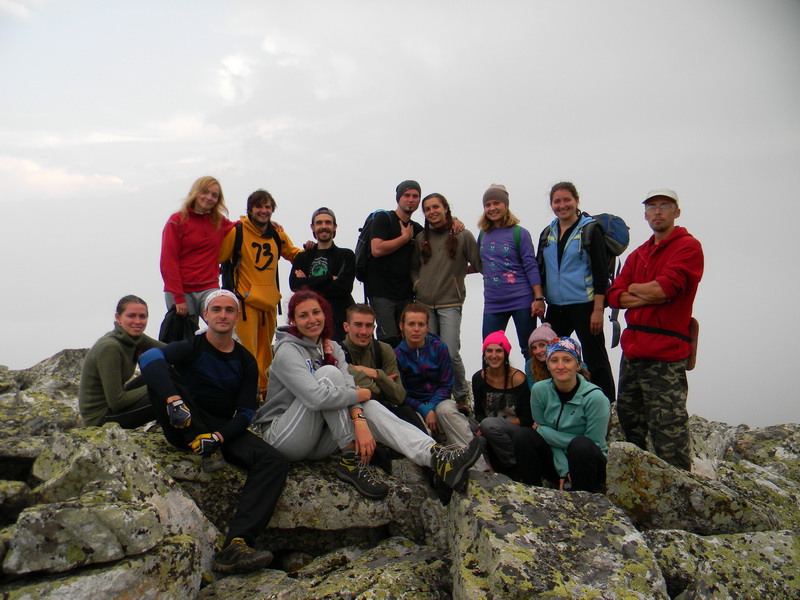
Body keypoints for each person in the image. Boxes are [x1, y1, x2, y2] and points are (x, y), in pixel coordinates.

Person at [254, 290, 485, 499]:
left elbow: (349, 387)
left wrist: (359, 419)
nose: (312, 319)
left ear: (325, 314)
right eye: (303, 315)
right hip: (284, 437)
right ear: (293, 321)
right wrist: (361, 394)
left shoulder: (332, 347)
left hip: (318, 439)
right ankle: (351, 458)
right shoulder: (287, 351)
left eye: (316, 312)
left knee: (370, 406)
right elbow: (316, 398)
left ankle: (437, 458)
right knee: (329, 374)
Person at [138, 290, 288, 573]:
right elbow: (148, 357)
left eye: (229, 310)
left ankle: (237, 544)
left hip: (217, 429)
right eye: (216, 309)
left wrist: (218, 437)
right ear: (205, 315)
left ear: (237, 316)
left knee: (274, 462)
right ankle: (194, 431)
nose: (223, 315)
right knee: (161, 371)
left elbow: (245, 413)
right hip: (183, 421)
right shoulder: (192, 346)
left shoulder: (246, 360)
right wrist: (174, 400)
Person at [607, 189, 704, 471]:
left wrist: (634, 290)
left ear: (677, 212)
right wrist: (647, 293)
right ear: (645, 214)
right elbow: (614, 295)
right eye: (651, 207)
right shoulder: (639, 254)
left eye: (664, 206)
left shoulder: (688, 247)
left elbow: (665, 289)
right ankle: (639, 482)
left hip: (666, 353)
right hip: (633, 350)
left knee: (668, 429)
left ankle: (680, 488)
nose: (657, 211)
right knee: (630, 419)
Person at [537, 182, 615, 403]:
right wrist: (539, 298)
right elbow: (540, 269)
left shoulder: (590, 230)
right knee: (551, 357)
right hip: (556, 307)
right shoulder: (548, 233)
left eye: (567, 200)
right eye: (557, 201)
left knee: (595, 358)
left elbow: (600, 274)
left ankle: (606, 406)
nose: (562, 205)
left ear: (576, 201)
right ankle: (557, 403)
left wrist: (598, 310)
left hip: (585, 304)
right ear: (551, 204)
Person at [219, 189, 302, 394]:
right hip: (245, 304)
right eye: (258, 206)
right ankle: (249, 395)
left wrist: (312, 250)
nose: (263, 211)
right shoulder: (237, 232)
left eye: (267, 207)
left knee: (266, 355)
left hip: (269, 303)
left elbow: (294, 254)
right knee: (247, 353)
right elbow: (218, 256)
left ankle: (264, 394)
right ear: (250, 209)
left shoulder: (277, 234)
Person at [411, 193, 481, 411]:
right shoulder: (421, 238)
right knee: (429, 353)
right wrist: (418, 285)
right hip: (424, 304)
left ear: (445, 208)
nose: (432, 212)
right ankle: (435, 396)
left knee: (450, 352)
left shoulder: (463, 235)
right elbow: (413, 267)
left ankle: (461, 396)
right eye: (427, 209)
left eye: (436, 207)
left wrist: (459, 274)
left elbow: (479, 263)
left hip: (450, 302)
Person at [524, 337, 610, 492]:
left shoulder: (595, 398)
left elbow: (593, 444)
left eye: (567, 360)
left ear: (578, 365)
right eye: (554, 360)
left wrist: (544, 431)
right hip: (556, 461)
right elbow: (542, 438)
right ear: (548, 365)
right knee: (525, 436)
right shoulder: (539, 390)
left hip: (589, 463)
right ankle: (532, 494)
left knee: (581, 445)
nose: (560, 366)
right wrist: (564, 469)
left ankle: (586, 498)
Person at [394, 304, 480, 455]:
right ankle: (435, 464)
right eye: (411, 324)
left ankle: (473, 460)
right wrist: (423, 409)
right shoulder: (397, 355)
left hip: (440, 401)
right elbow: (401, 393)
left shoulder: (439, 348)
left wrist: (431, 406)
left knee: (447, 411)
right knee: (416, 425)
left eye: (421, 324)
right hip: (414, 406)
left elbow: (446, 384)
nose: (416, 329)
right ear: (402, 326)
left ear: (428, 326)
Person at [478, 184, 545, 360]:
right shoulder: (483, 235)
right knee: (489, 349)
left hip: (521, 298)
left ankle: (534, 379)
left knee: (529, 349)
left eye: (496, 203)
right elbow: (482, 263)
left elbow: (530, 265)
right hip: (493, 301)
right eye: (487, 205)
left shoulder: (520, 233)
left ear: (506, 205)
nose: (492, 208)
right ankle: (492, 380)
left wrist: (538, 298)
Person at [160, 176, 234, 329]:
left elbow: (239, 228)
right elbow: (168, 262)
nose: (209, 197)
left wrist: (266, 224)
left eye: (214, 195)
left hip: (209, 287)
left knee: (224, 328)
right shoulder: (177, 221)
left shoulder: (218, 221)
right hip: (182, 290)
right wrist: (178, 297)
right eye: (205, 192)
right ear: (195, 192)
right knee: (185, 337)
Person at [79, 295, 164, 428]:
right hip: (101, 418)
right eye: (131, 316)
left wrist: (197, 346)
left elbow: (170, 351)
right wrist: (160, 384)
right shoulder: (110, 347)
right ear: (118, 318)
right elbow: (117, 402)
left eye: (142, 316)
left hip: (114, 406)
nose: (138, 321)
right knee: (173, 391)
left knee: (167, 371)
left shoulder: (135, 338)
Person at [341, 304, 424, 432]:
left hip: (386, 411)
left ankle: (430, 445)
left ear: (374, 328)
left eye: (368, 326)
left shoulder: (384, 349)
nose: (364, 331)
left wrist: (375, 374)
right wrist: (384, 382)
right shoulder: (337, 353)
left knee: (408, 414)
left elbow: (399, 396)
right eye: (358, 325)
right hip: (353, 416)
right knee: (371, 405)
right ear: (346, 326)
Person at [364, 180, 425, 347]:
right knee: (388, 341)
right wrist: (404, 238)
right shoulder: (384, 218)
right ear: (398, 198)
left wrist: (454, 221)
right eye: (407, 195)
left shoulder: (417, 229)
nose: (411, 200)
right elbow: (377, 249)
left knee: (408, 341)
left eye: (415, 196)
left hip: (405, 292)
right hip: (381, 291)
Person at [471, 331, 532, 478]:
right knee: (464, 423)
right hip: (487, 426)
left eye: (498, 351)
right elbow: (478, 412)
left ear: (505, 354)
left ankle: (512, 465)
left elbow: (527, 418)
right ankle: (487, 467)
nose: (493, 355)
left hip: (513, 430)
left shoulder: (518, 379)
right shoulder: (478, 378)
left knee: (489, 424)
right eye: (489, 351)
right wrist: (482, 426)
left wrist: (494, 424)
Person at [289, 207, 355, 341]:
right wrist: (329, 278)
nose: (324, 226)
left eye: (328, 222)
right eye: (319, 223)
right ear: (312, 227)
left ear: (335, 227)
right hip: (310, 323)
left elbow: (344, 287)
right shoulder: (302, 257)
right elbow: (295, 285)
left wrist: (307, 283)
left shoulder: (346, 255)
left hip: (339, 322)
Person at [524, 322, 557, 389]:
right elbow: (534, 391)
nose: (538, 351)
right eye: (534, 348)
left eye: (542, 345)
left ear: (552, 344)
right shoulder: (530, 365)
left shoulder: (568, 359)